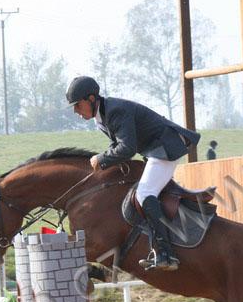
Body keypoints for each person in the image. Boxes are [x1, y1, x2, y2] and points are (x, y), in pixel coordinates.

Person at [66, 75, 201, 271]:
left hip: (165, 146)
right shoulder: (101, 117)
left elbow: (127, 148)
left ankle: (166, 254)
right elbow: (117, 144)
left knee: (144, 194)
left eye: (78, 105)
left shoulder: (115, 110)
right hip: (155, 149)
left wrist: (101, 159)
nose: (76, 111)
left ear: (92, 99)